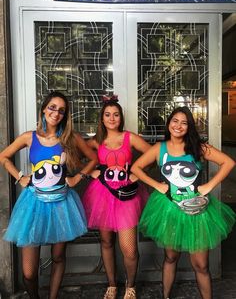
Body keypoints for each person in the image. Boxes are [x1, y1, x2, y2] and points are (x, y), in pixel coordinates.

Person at [131, 106, 236, 299]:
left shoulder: (198, 147)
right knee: (171, 257)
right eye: (175, 121)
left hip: (197, 210)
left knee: (201, 265)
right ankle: (167, 296)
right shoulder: (159, 149)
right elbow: (136, 168)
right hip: (169, 209)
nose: (178, 126)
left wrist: (209, 186)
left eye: (184, 122)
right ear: (169, 123)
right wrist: (157, 185)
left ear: (189, 127)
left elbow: (229, 162)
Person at [0, 91, 97, 299]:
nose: (56, 113)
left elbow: (93, 159)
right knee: (28, 272)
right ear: (44, 109)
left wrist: (77, 178)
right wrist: (20, 176)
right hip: (33, 204)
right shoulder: (29, 137)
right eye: (52, 107)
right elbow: (4, 156)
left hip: (62, 203)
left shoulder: (70, 138)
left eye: (62, 110)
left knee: (59, 256)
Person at [82, 96, 151, 299]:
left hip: (126, 195)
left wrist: (137, 174)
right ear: (101, 118)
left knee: (129, 249)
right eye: (107, 114)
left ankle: (131, 286)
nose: (112, 118)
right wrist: (89, 172)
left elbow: (154, 154)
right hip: (102, 193)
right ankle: (111, 284)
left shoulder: (130, 138)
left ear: (121, 118)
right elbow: (74, 150)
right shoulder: (96, 141)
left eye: (116, 114)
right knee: (106, 241)